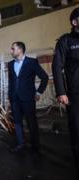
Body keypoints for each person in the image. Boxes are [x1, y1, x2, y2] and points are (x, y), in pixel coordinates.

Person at [8, 41, 48, 154]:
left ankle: (35, 147)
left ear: (20, 50)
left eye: (13, 49)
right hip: (15, 99)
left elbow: (44, 77)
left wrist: (39, 92)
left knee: (31, 123)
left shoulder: (32, 62)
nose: (11, 51)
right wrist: (10, 98)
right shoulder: (10, 64)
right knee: (17, 123)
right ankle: (20, 144)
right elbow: (11, 82)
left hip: (28, 98)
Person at [52, 7, 79, 172]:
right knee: (77, 130)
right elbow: (57, 67)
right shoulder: (65, 41)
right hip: (75, 94)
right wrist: (61, 92)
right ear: (74, 22)